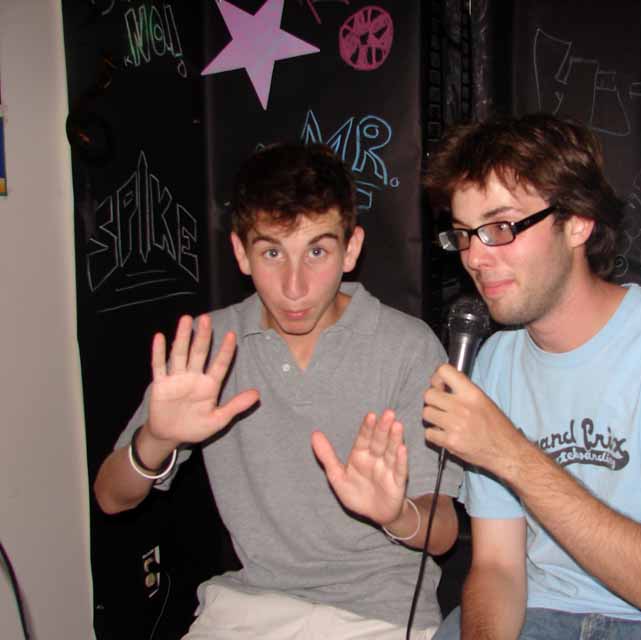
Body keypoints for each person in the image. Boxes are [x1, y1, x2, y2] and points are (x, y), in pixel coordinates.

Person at [93, 143, 461, 639]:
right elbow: (110, 498)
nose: (294, 286)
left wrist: (395, 515)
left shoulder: (407, 347)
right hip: (248, 608)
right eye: (272, 253)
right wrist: (157, 439)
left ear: (351, 249)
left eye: (317, 252)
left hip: (382, 614)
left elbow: (443, 533)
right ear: (241, 253)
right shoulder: (209, 347)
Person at [420, 114, 641, 640]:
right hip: (541, 613)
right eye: (464, 234)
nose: (476, 257)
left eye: (501, 227)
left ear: (578, 222)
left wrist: (510, 453)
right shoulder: (493, 362)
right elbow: (497, 569)